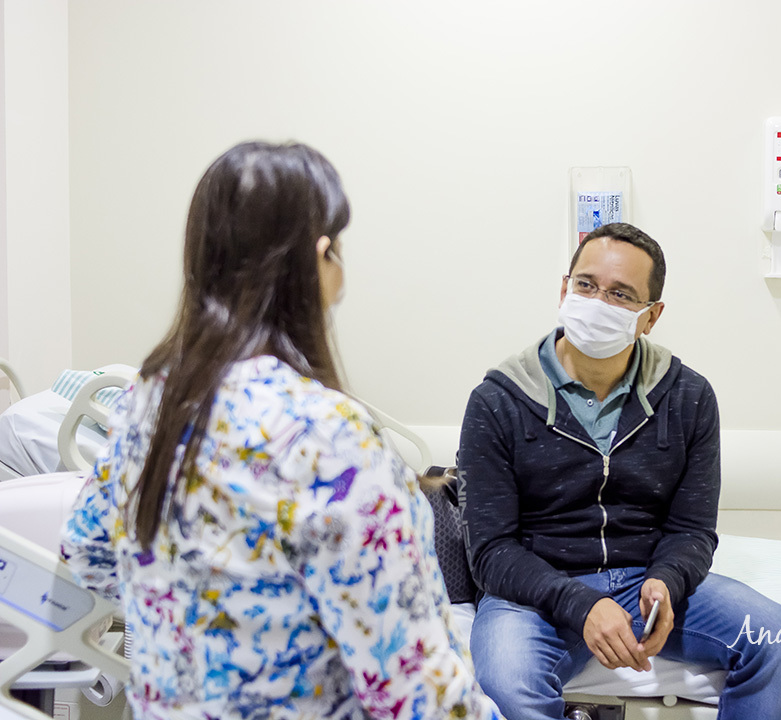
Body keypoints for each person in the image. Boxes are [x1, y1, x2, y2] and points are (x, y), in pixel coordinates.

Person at [60, 141, 503, 720]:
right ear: (322, 257)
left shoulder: (154, 401)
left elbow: (86, 552)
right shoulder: (328, 436)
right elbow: (416, 691)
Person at [458, 223, 781, 720]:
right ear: (563, 288)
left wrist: (668, 581)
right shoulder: (498, 401)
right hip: (536, 591)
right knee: (509, 683)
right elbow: (490, 552)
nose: (597, 301)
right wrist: (579, 603)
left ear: (651, 317)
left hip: (644, 581)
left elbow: (692, 530)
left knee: (777, 635)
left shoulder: (689, 398)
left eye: (621, 294)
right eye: (585, 285)